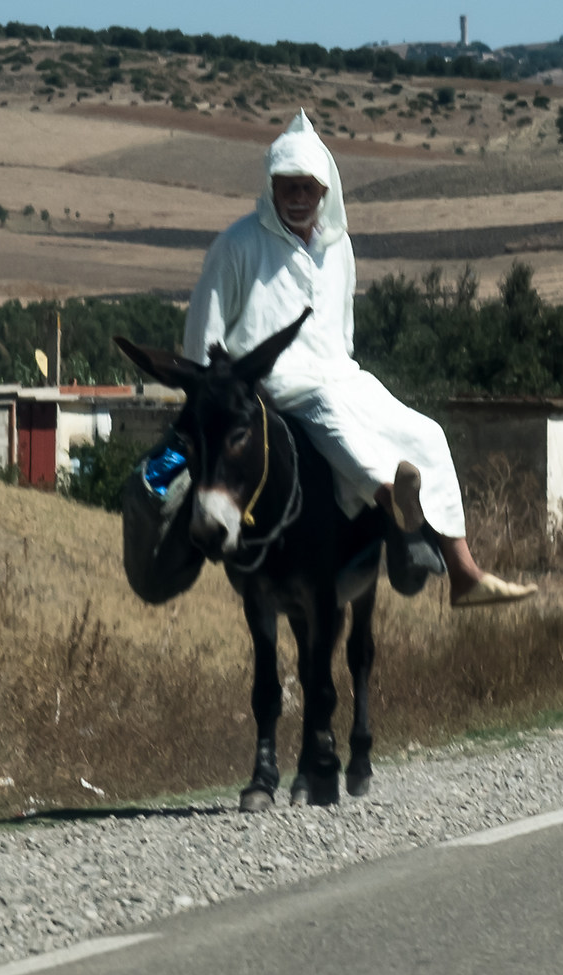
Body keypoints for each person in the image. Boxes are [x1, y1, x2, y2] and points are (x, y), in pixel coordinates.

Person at [183, 111, 535, 606]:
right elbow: (204, 334)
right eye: (289, 186)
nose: (299, 196)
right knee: (333, 416)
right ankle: (393, 502)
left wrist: (349, 377)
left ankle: (465, 572)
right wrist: (213, 398)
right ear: (272, 187)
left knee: (426, 432)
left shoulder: (338, 248)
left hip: (338, 373)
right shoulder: (237, 245)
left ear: (324, 191)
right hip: (269, 382)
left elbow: (342, 332)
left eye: (308, 187)